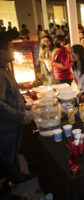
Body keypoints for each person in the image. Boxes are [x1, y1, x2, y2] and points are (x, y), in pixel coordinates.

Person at [0, 35, 33, 199]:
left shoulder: (5, 67)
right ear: (1, 51)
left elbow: (11, 95)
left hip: (13, 123)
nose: (13, 51)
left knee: (13, 155)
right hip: (5, 127)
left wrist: (23, 104)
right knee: (6, 158)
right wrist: (20, 116)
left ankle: (17, 176)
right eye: (10, 48)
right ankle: (6, 192)